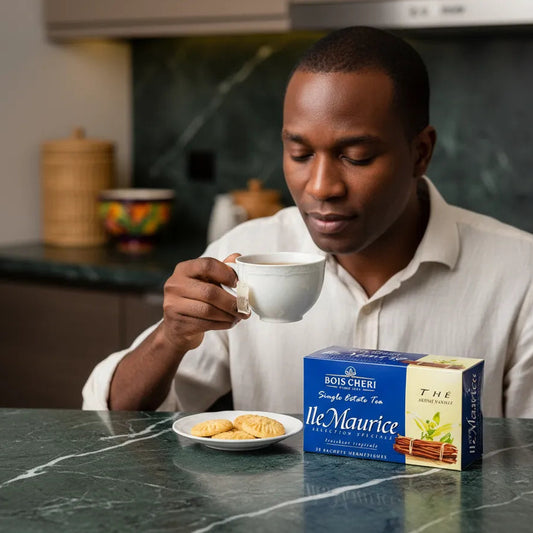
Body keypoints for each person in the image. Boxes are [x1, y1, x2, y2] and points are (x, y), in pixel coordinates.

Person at [83, 26, 533, 418]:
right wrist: (171, 337)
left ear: (420, 153)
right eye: (299, 154)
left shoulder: (518, 275)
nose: (319, 186)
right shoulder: (245, 257)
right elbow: (110, 418)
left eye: (355, 157)